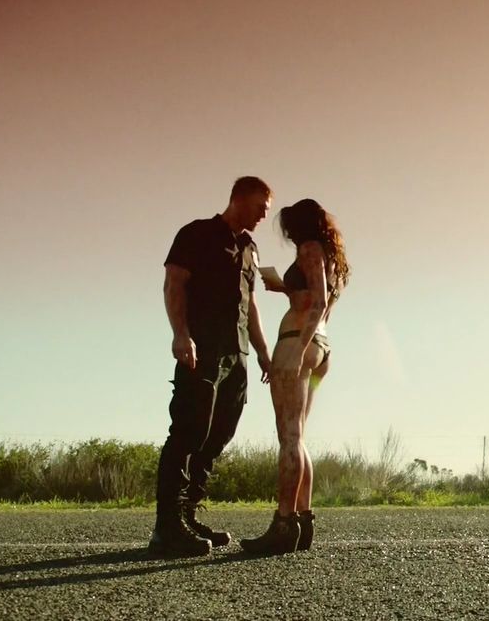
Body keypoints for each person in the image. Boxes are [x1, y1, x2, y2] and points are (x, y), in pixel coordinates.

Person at [150, 176, 274, 556]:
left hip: (237, 356)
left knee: (219, 434)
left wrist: (263, 351)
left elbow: (251, 305)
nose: (263, 216)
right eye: (260, 208)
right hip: (201, 350)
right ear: (239, 199)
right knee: (188, 432)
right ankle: (167, 528)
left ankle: (187, 515)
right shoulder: (196, 234)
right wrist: (180, 334)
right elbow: (173, 284)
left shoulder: (250, 248)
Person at [241, 199, 350, 554]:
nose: (286, 233)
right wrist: (285, 287)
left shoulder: (310, 249)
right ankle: (302, 520)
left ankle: (284, 523)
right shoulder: (332, 257)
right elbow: (314, 298)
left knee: (288, 436)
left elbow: (317, 302)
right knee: (298, 437)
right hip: (322, 349)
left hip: (298, 344)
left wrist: (298, 351)